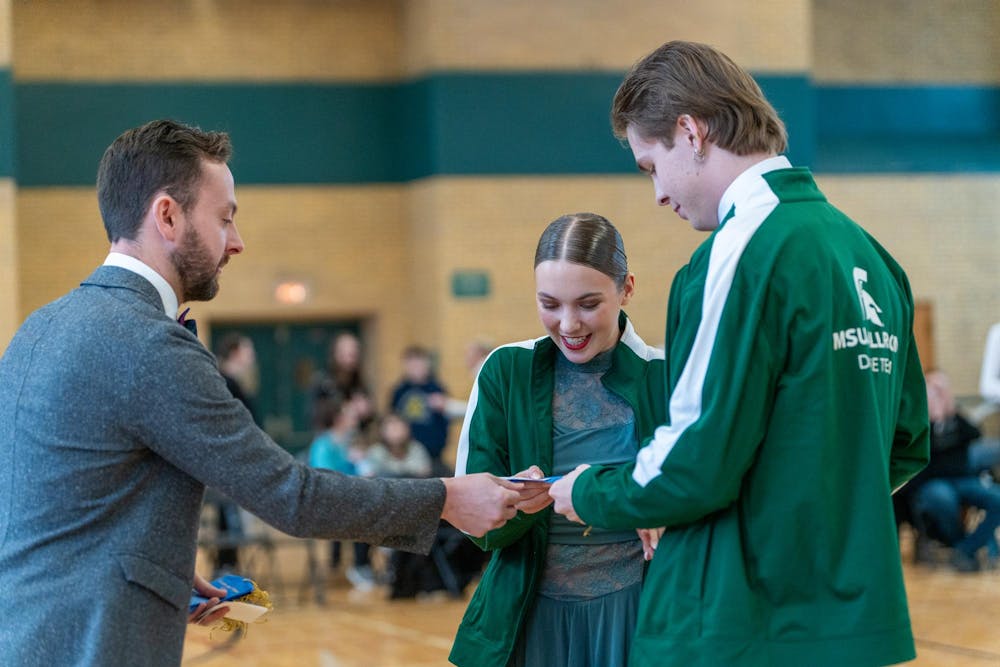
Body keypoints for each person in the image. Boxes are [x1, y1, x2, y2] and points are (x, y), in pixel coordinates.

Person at [0, 119, 524, 666]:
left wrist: (152, 566)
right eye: (224, 219)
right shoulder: (149, 345)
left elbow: (41, 506)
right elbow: (292, 497)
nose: (237, 242)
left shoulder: (39, 326)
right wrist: (447, 499)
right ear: (167, 216)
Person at [547, 41, 929, 667]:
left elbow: (695, 461)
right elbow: (905, 443)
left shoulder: (736, 252)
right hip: (851, 621)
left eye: (650, 167)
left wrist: (588, 491)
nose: (659, 197)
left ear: (690, 132)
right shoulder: (873, 257)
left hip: (739, 621)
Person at [449, 213, 667, 667]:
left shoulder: (669, 376)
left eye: (588, 304)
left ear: (626, 288)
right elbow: (472, 522)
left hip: (641, 614)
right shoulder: (505, 372)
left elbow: (710, 498)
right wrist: (512, 505)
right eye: (550, 303)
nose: (569, 324)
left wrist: (671, 517)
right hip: (526, 619)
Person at [903, 369, 1000, 571]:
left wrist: (950, 413)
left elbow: (974, 435)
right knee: (941, 497)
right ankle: (958, 543)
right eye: (933, 389)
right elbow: (923, 465)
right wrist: (932, 420)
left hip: (961, 478)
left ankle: (964, 550)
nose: (938, 394)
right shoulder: (915, 421)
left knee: (996, 498)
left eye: (942, 389)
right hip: (931, 483)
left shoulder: (955, 420)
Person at [207, 331, 260, 574]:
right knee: (226, 513)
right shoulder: (225, 381)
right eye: (248, 350)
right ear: (236, 352)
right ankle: (226, 563)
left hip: (237, 458)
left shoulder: (235, 381)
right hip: (227, 459)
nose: (252, 356)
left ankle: (229, 561)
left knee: (231, 515)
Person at [389, 345, 452, 475]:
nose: (415, 369)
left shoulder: (437, 389)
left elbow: (446, 421)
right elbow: (391, 418)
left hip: (433, 453)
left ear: (427, 364)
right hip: (406, 454)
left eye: (419, 364)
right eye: (412, 365)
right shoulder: (399, 391)